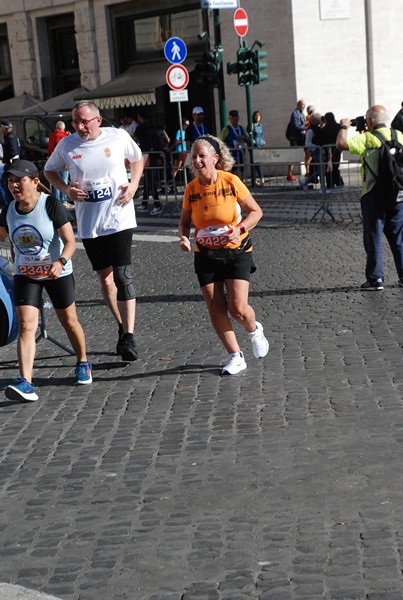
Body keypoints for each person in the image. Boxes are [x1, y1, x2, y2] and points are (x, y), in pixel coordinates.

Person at [44, 101, 144, 361]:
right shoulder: (67, 144)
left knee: (123, 275)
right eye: (76, 121)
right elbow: (49, 170)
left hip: (119, 217)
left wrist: (132, 185)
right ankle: (122, 327)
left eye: (84, 121)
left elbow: (137, 159)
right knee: (106, 279)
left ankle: (129, 337)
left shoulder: (118, 136)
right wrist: (67, 191)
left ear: (98, 120)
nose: (79, 126)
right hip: (90, 224)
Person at [0, 159, 92, 402]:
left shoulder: (50, 205)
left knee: (69, 322)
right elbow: (2, 235)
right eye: (10, 181)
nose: (14, 185)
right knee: (27, 326)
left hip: (57, 273)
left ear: (35, 182)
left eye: (19, 180)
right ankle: (26, 382)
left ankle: (83, 361)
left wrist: (59, 262)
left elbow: (71, 242)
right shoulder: (8, 210)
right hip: (25, 274)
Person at [178, 134, 269, 375]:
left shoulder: (231, 181)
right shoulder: (191, 190)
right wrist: (184, 237)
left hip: (236, 250)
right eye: (193, 156)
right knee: (215, 308)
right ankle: (235, 355)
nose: (197, 160)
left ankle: (254, 330)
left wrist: (238, 229)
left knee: (237, 307)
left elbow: (256, 212)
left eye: (202, 156)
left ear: (215, 158)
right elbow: (185, 222)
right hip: (205, 254)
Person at [336, 104, 403, 290]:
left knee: (373, 236)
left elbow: (341, 144)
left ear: (370, 121)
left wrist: (344, 127)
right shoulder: (399, 136)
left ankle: (376, 279)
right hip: (398, 192)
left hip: (373, 193)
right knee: (399, 236)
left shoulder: (367, 138)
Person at [134, 110, 163, 215]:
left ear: (140, 117)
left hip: (145, 156)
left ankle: (157, 204)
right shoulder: (154, 128)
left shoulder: (140, 129)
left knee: (150, 180)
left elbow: (134, 140)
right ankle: (144, 203)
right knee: (148, 179)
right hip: (154, 156)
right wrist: (160, 155)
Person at [48, 121, 72, 208]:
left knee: (56, 182)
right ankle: (64, 201)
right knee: (64, 181)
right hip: (64, 163)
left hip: (53, 161)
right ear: (64, 128)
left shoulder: (52, 136)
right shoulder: (65, 137)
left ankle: (57, 201)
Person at [220, 110, 249, 180]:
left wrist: (242, 137)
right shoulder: (226, 129)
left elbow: (248, 139)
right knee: (234, 172)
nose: (235, 118)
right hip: (232, 155)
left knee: (242, 171)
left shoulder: (242, 128)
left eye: (236, 116)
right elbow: (221, 142)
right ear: (229, 118)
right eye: (233, 116)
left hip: (241, 154)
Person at [321, 112, 344, 188]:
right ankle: (338, 181)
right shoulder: (338, 127)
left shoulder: (324, 129)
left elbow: (323, 140)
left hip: (328, 150)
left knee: (329, 167)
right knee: (335, 166)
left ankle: (330, 183)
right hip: (337, 149)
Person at [286, 99, 306, 181]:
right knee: (293, 157)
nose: (303, 106)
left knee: (305, 154)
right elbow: (296, 126)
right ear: (298, 105)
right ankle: (289, 174)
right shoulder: (295, 114)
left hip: (301, 138)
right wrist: (306, 128)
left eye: (304, 105)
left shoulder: (302, 113)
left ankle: (308, 171)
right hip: (295, 138)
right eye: (302, 104)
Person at [251, 110, 266, 186]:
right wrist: (253, 141)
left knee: (258, 163)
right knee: (257, 163)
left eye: (259, 115)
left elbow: (262, 134)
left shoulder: (261, 125)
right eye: (256, 115)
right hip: (254, 146)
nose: (257, 117)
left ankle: (257, 178)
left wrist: (263, 142)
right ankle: (261, 178)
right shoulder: (251, 125)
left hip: (260, 145)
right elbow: (250, 135)